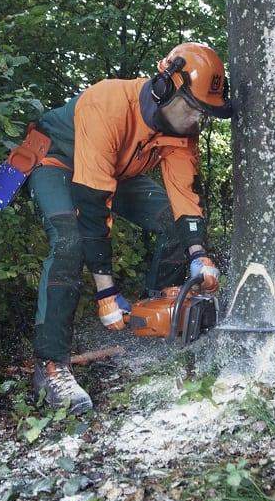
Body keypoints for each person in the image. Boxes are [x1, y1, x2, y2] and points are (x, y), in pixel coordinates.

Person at [26, 42, 231, 413]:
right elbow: (91, 206)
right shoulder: (108, 104)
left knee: (171, 220)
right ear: (166, 87)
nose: (198, 121)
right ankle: (50, 366)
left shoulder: (181, 132)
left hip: (112, 172)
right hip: (58, 161)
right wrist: (106, 291)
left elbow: (185, 197)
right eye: (195, 109)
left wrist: (198, 253)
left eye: (205, 113)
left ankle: (160, 319)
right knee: (70, 242)